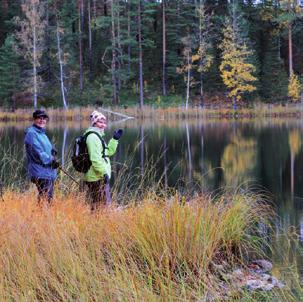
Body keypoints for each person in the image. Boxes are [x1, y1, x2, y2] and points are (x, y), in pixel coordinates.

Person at [84, 110, 123, 210]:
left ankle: (95, 224)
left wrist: (114, 139)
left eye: (104, 122)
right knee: (103, 207)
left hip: (99, 176)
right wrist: (103, 173)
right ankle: (98, 224)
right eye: (100, 122)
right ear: (94, 123)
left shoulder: (98, 136)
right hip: (96, 177)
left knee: (98, 206)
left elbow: (107, 153)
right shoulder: (92, 137)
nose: (103, 125)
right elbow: (95, 159)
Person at [24, 109, 60, 203]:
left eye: (44, 118)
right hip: (39, 171)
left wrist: (52, 149)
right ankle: (41, 216)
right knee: (45, 197)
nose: (42, 120)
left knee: (48, 198)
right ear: (34, 119)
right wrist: (51, 160)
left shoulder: (41, 133)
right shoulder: (31, 133)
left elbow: (44, 148)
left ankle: (43, 216)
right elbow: (37, 151)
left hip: (47, 171)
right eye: (39, 118)